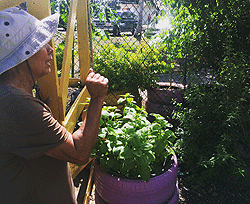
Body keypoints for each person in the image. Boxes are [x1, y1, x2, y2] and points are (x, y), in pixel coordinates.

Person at [0, 7, 108, 203]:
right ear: (22, 56)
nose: (51, 49)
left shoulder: (11, 96)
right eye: (40, 43)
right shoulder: (16, 105)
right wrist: (97, 99)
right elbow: (79, 151)